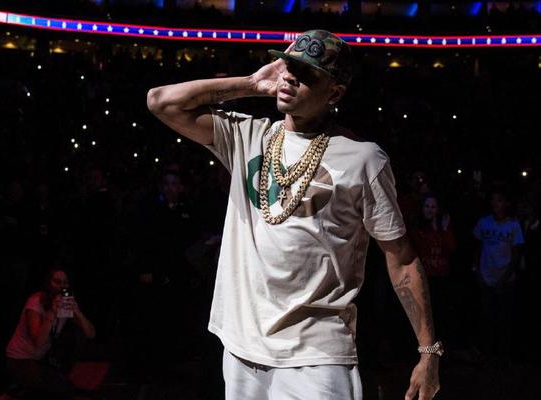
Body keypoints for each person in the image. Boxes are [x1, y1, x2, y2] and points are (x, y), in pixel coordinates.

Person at [147, 30, 440, 399]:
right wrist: (251, 83)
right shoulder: (248, 136)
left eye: (307, 74)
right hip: (241, 346)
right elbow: (161, 102)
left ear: (335, 93)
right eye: (289, 66)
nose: (290, 77)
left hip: (317, 355)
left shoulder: (363, 158)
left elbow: (402, 258)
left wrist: (428, 352)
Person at [5, 267, 96, 399]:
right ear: (48, 283)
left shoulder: (64, 303)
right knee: (55, 390)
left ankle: (29, 385)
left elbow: (91, 334)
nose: (61, 286)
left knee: (77, 335)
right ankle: (20, 386)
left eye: (65, 282)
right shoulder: (36, 302)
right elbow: (38, 342)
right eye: (57, 282)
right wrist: (52, 312)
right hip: (20, 358)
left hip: (40, 358)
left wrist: (78, 313)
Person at [473, 188, 524, 362]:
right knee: (487, 317)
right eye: (493, 200)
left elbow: (516, 255)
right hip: (486, 276)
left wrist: (505, 277)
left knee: (504, 318)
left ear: (506, 203)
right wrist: (477, 272)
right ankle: (487, 352)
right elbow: (477, 249)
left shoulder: (513, 225)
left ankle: (503, 355)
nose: (495, 203)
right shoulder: (484, 222)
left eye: (499, 200)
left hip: (505, 278)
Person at [410, 195, 457, 346]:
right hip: (423, 277)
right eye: (427, 206)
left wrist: (443, 229)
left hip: (441, 276)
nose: (430, 210)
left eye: (433, 207)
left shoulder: (443, 226)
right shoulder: (417, 228)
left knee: (439, 312)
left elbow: (451, 247)